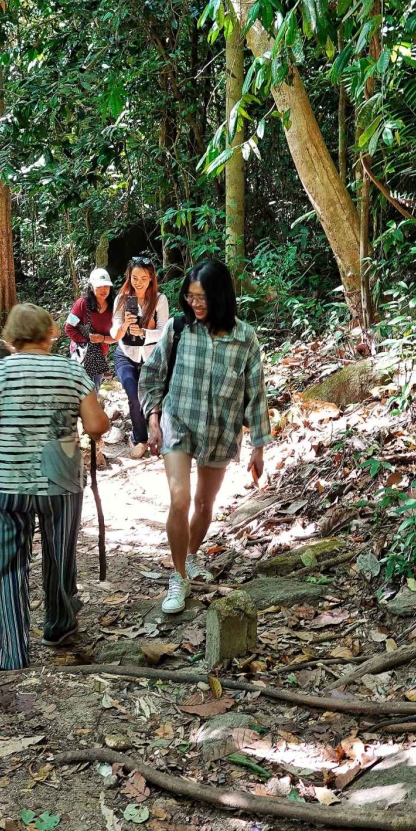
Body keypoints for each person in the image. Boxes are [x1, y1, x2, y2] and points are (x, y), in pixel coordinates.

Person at [0, 303, 110, 669]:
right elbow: (95, 426)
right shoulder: (70, 370)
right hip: (60, 477)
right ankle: (59, 624)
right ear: (51, 334)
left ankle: (10, 653)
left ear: (10, 339)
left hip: (6, 480)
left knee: (2, 565)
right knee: (60, 555)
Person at [140, 257, 271, 615]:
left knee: (203, 505)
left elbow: (254, 392)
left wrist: (259, 445)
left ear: (221, 297)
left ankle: (193, 554)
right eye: (191, 297)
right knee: (180, 500)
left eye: (203, 298)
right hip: (178, 422)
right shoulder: (179, 328)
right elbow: (152, 375)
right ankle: (179, 576)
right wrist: (153, 419)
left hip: (220, 429)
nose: (195, 304)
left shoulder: (244, 337)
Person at [111, 257, 171, 459]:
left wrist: (144, 332)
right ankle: (139, 438)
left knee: (154, 396)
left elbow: (164, 331)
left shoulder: (159, 300)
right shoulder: (121, 299)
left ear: (151, 278)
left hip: (151, 356)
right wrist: (124, 326)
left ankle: (160, 435)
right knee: (134, 395)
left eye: (143, 278)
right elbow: (114, 334)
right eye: (134, 277)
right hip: (126, 355)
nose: (138, 282)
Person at [65, 267, 116, 389]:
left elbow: (116, 337)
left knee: (94, 390)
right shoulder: (82, 304)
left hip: (99, 356)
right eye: (99, 286)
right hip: (80, 353)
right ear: (92, 287)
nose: (103, 290)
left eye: (106, 286)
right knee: (79, 389)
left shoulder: (114, 307)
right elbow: (69, 327)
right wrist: (87, 342)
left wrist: (102, 339)